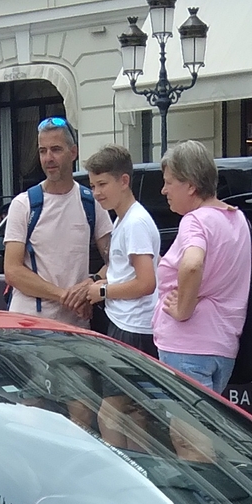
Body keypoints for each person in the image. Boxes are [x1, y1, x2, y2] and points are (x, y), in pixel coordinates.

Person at [152, 140, 251, 394]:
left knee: (186, 432)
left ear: (191, 185)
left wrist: (183, 309)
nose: (164, 190)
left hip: (187, 344)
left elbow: (193, 264)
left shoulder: (194, 220)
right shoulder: (238, 218)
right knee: (208, 429)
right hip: (225, 345)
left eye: (169, 182)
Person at [2, 117, 104, 324]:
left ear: (73, 152)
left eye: (56, 149)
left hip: (76, 326)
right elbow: (12, 271)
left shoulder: (91, 202)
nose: (48, 158)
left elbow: (116, 260)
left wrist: (91, 283)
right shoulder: (24, 204)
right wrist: (65, 296)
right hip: (29, 325)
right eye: (42, 151)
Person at [83, 145, 158, 357]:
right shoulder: (123, 220)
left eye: (102, 184)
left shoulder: (135, 223)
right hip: (126, 323)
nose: (96, 193)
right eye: (93, 186)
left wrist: (104, 291)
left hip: (132, 327)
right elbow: (126, 270)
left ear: (124, 181)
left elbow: (146, 283)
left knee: (119, 392)